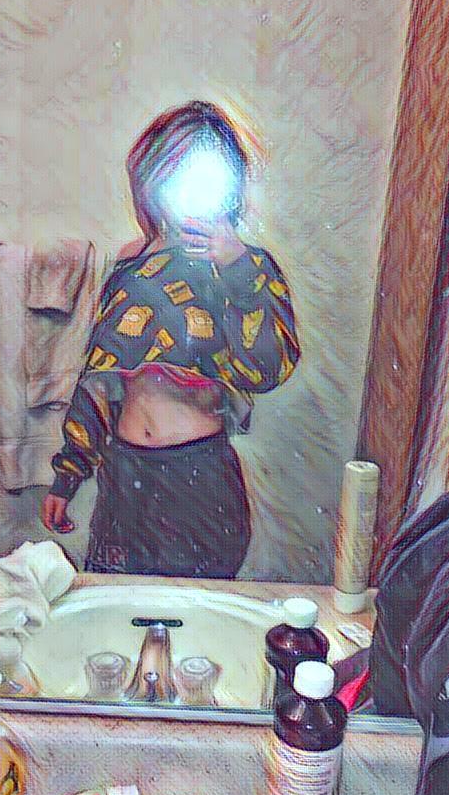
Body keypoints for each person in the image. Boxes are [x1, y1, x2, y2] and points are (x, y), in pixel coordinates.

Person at [40, 100, 300, 577]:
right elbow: (101, 378)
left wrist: (237, 267)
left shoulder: (245, 265)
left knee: (194, 613)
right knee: (117, 608)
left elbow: (268, 368)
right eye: (168, 169)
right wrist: (68, 474)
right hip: (123, 476)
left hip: (197, 480)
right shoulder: (129, 262)